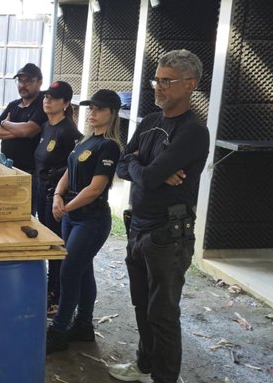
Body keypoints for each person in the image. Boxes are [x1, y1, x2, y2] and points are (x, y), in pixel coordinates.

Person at [110, 50, 210, 383]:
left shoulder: (194, 131)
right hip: (137, 226)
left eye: (167, 81)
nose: (159, 87)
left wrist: (145, 170)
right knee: (141, 303)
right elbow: (123, 164)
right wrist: (147, 169)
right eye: (157, 79)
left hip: (169, 234)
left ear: (190, 85)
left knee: (163, 314)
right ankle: (144, 365)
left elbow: (145, 175)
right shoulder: (151, 122)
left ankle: (164, 378)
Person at [46, 89, 122, 354]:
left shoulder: (108, 146)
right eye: (91, 108)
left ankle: (60, 330)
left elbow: (96, 188)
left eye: (99, 109)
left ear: (112, 114)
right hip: (73, 215)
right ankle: (84, 325)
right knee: (82, 269)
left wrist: (65, 206)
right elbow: (69, 172)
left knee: (69, 271)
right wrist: (57, 194)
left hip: (91, 219)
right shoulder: (84, 141)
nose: (92, 113)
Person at [33, 81, 82, 313]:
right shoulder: (46, 126)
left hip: (56, 197)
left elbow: (75, 165)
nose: (47, 101)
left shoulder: (68, 131)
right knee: (46, 242)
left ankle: (56, 296)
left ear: (66, 103)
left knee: (55, 246)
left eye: (54, 98)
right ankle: (49, 288)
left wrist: (58, 185)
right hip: (42, 191)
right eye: (46, 96)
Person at [0, 63, 48, 213]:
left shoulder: (43, 103)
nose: (23, 85)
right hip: (7, 170)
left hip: (30, 173)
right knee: (6, 211)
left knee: (25, 215)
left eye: (28, 81)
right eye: (20, 81)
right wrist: (18, 130)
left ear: (40, 81)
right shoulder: (13, 105)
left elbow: (29, 130)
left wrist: (6, 123)